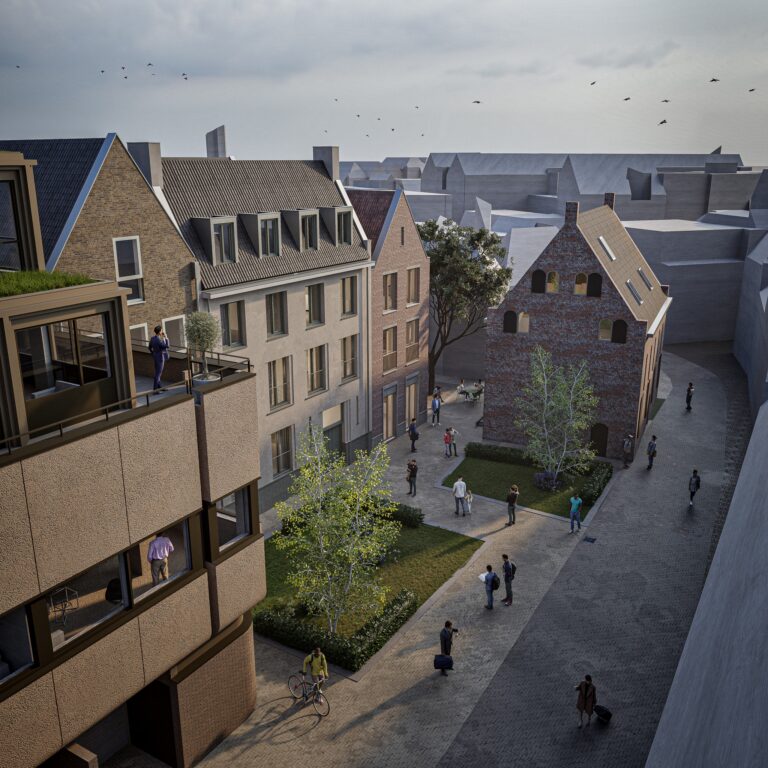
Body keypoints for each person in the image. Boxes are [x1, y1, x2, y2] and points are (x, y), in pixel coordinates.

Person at [148, 325, 170, 391]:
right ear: (160, 332)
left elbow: (149, 348)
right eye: (161, 330)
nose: (162, 331)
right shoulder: (158, 340)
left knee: (158, 372)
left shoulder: (153, 338)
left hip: (156, 356)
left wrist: (153, 353)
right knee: (158, 374)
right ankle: (155, 390)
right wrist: (166, 338)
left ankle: (160, 387)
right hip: (160, 358)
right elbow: (167, 346)